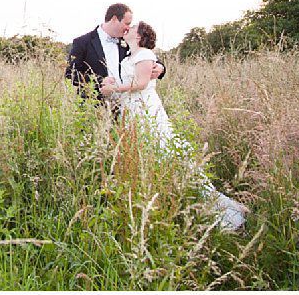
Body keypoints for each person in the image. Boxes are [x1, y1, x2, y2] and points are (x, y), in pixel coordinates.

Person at [103, 20, 248, 231]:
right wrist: (111, 83)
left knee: (162, 148)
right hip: (132, 110)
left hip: (145, 110)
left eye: (133, 27)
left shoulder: (144, 54)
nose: (129, 28)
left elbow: (142, 84)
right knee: (146, 151)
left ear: (140, 36)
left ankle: (220, 210)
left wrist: (115, 89)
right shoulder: (129, 55)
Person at [65, 3, 165, 105]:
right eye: (127, 23)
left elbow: (146, 57)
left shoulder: (129, 41)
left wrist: (161, 67)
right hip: (93, 104)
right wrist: (100, 81)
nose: (128, 28)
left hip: (125, 105)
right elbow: (70, 73)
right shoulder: (82, 42)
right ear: (114, 19)